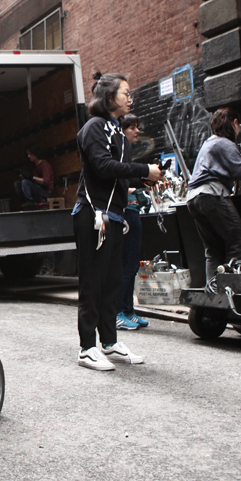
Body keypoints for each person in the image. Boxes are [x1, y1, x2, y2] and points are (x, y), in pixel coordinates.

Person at [72, 73, 163, 371]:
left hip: (113, 215)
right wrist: (142, 169)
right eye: (125, 92)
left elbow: (119, 174)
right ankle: (87, 348)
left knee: (111, 282)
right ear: (110, 98)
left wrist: (145, 178)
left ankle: (109, 342)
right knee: (92, 282)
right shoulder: (94, 128)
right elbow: (102, 166)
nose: (130, 97)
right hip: (93, 215)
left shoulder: (117, 132)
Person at [186, 108, 241, 284]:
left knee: (213, 250)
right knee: (238, 242)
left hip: (194, 198)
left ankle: (214, 295)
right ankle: (231, 292)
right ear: (235, 123)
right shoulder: (225, 143)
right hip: (212, 196)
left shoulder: (209, 142)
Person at [116, 114, 149, 330]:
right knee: (126, 264)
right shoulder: (118, 154)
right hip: (125, 211)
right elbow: (117, 182)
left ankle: (129, 310)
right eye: (132, 128)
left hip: (133, 209)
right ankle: (118, 312)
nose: (136, 131)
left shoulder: (127, 155)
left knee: (133, 264)